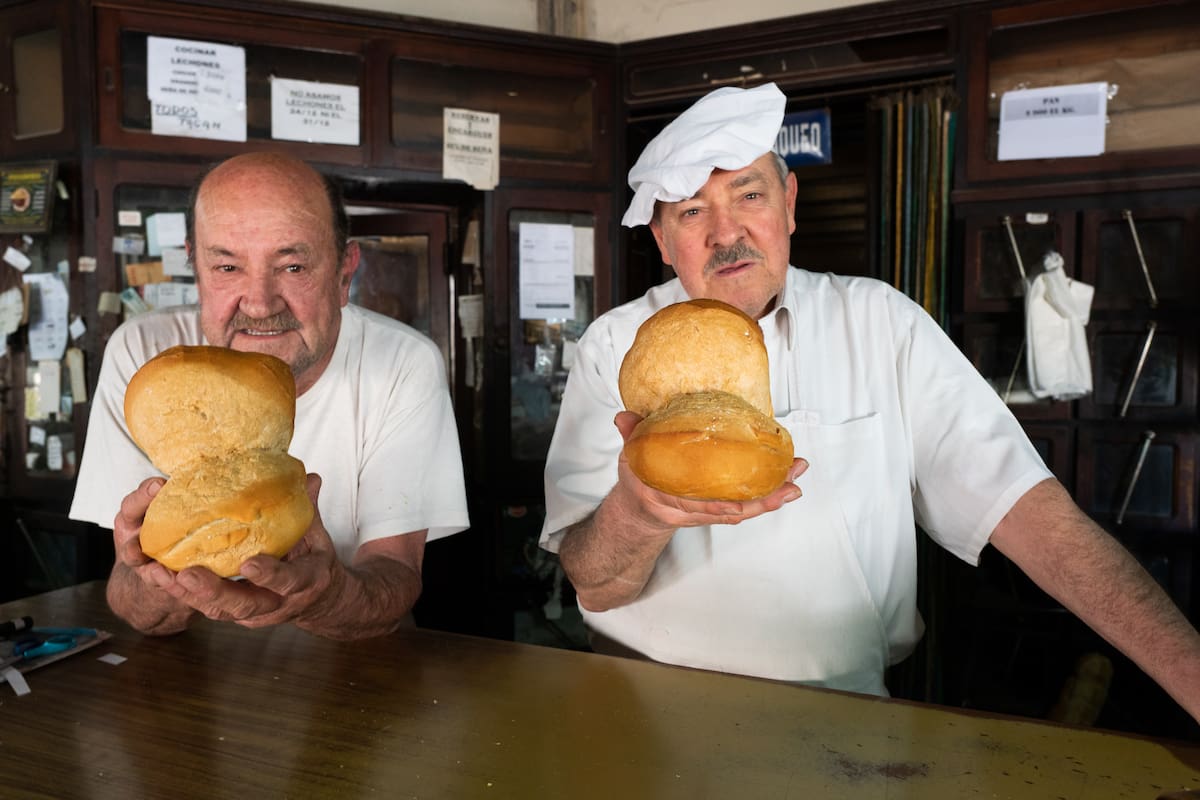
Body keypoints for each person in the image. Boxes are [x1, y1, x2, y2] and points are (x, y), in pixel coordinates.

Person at [539, 82, 1200, 719]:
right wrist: (640, 509)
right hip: (645, 715)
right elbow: (595, 583)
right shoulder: (617, 348)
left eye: (749, 194)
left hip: (844, 718)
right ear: (660, 239)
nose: (726, 232)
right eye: (690, 211)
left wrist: (1189, 671)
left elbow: (1030, 516)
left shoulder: (880, 323)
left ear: (790, 202)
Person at [70, 152, 470, 640]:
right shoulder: (145, 362)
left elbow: (395, 580)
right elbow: (136, 609)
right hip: (195, 679)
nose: (259, 303)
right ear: (194, 266)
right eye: (227, 266)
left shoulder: (403, 363)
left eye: (294, 265)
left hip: (358, 678)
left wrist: (327, 597)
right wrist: (155, 576)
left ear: (345, 272)